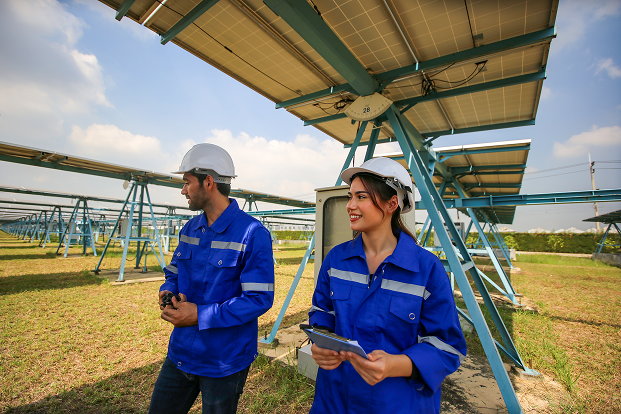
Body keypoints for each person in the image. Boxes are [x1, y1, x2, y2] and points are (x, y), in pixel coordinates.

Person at [308, 157, 467, 414]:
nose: (350, 205)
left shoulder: (426, 269)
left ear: (392, 203)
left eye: (361, 197)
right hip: (335, 399)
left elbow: (447, 346)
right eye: (350, 196)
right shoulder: (336, 259)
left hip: (397, 402)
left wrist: (396, 364)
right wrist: (321, 342)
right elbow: (322, 311)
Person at [148, 143, 275, 414]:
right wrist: (167, 289)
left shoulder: (252, 233)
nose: (183, 190)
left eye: (186, 182)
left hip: (223, 360)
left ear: (208, 183)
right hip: (181, 352)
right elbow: (173, 271)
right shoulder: (190, 228)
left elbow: (258, 299)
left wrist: (200, 315)